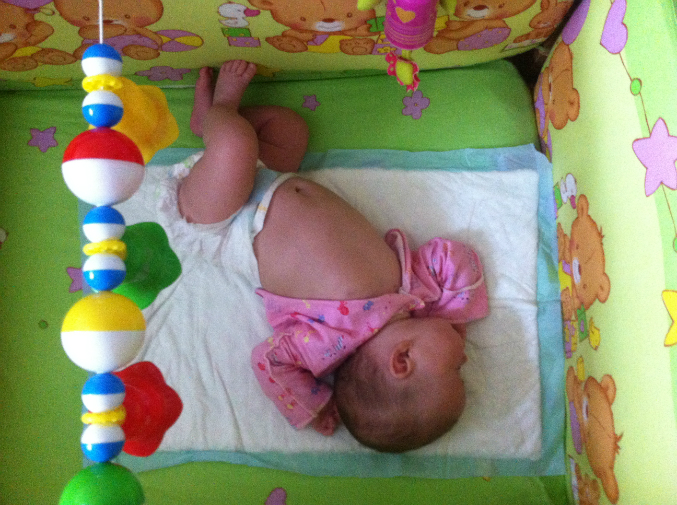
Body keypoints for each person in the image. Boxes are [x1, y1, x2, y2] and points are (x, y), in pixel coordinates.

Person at [179, 60, 489, 453]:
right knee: (290, 130)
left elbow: (269, 362)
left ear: (402, 361)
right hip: (271, 175)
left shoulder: (325, 344)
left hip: (223, 218)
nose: (466, 360)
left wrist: (312, 403)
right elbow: (452, 255)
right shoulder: (413, 291)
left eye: (456, 369)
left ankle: (219, 113)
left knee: (237, 145)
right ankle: (212, 126)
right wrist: (453, 313)